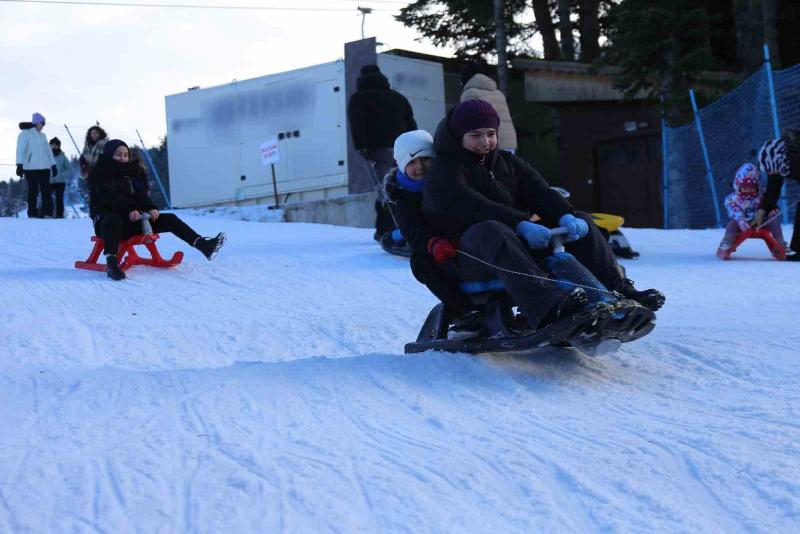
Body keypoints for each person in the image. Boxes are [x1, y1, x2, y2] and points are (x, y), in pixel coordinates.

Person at [422, 100, 665, 328]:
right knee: (491, 229)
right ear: (457, 136)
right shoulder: (443, 170)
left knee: (583, 220)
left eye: (490, 133)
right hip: (470, 256)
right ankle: (546, 306)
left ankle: (618, 292)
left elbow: (538, 190)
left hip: (514, 247)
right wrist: (520, 223)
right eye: (475, 135)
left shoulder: (505, 161)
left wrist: (564, 215)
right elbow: (470, 205)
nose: (485, 141)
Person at [89, 139, 226, 280]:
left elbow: (142, 197)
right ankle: (112, 265)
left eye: (126, 154)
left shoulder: (133, 172)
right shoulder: (99, 173)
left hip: (132, 220)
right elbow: (109, 198)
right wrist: (128, 209)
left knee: (169, 219)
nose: (123, 158)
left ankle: (204, 245)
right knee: (114, 219)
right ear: (109, 154)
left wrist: (151, 208)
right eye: (118, 154)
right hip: (106, 221)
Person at [386, 130, 475, 317]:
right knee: (420, 262)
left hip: (467, 241)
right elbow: (413, 231)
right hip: (439, 251)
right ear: (402, 166)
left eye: (425, 159)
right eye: (411, 162)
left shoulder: (452, 182)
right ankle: (464, 311)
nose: (420, 167)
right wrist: (432, 242)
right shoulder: (403, 198)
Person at [347, 64, 417, 240]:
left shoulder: (358, 98)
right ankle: (403, 226)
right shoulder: (398, 98)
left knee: (384, 188)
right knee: (404, 185)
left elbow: (357, 123)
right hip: (403, 149)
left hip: (377, 150)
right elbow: (411, 124)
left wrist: (361, 146)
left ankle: (386, 229)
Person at [718, 162, 785, 256]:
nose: (749, 191)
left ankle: (780, 242)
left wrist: (772, 211)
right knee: (732, 224)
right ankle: (727, 242)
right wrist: (740, 220)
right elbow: (733, 210)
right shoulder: (732, 198)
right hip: (742, 224)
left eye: (752, 188)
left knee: (773, 220)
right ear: (738, 185)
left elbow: (769, 205)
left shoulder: (761, 196)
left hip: (761, 223)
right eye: (745, 188)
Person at [755, 129, 800, 261]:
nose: (770, 175)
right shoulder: (781, 160)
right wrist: (762, 211)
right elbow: (773, 188)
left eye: (770, 171)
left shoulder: (794, 159)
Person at [460, 66, 518, 154]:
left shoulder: (470, 93)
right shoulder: (498, 93)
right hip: (509, 141)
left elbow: (467, 121)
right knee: (507, 167)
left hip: (488, 143)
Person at [16, 112, 56, 218]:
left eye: (44, 124)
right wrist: (19, 164)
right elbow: (20, 150)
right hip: (30, 168)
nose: (43, 126)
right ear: (36, 123)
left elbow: (48, 151)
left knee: (46, 191)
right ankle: (32, 213)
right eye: (42, 123)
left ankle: (47, 213)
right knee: (33, 191)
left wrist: (53, 165)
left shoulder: (43, 136)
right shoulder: (25, 134)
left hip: (45, 168)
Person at [49, 137, 71, 218]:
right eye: (52, 145)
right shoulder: (46, 156)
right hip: (48, 181)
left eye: (56, 145)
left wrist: (62, 175)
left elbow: (69, 168)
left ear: (59, 146)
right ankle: (47, 214)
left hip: (60, 182)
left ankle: (59, 215)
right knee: (47, 199)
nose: (54, 147)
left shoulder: (63, 157)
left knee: (59, 199)